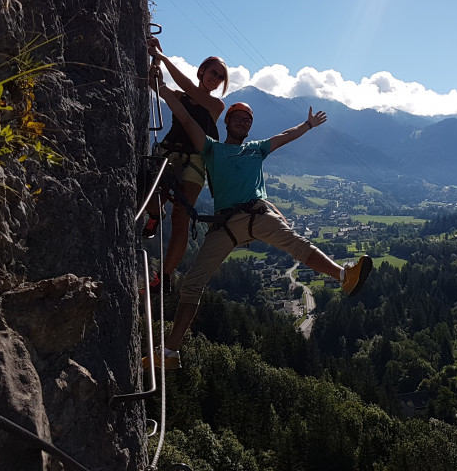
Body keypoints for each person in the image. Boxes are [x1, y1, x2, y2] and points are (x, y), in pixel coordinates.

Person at [143, 67, 372, 369]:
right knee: (193, 284)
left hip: (255, 213)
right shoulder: (212, 149)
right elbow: (185, 118)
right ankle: (170, 352)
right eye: (238, 118)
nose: (243, 122)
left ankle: (344, 276)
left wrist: (307, 125)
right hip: (226, 225)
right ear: (227, 122)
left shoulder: (256, 149)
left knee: (297, 245)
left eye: (247, 120)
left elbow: (285, 137)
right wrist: (158, 87)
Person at [143, 37, 228, 293]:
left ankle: (164, 277)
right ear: (202, 70)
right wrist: (154, 59)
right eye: (213, 72)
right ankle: (156, 215)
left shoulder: (216, 105)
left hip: (194, 161)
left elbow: (189, 89)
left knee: (182, 215)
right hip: (170, 152)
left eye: (221, 77)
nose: (216, 78)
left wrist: (162, 55)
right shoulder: (181, 95)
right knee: (149, 194)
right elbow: (156, 85)